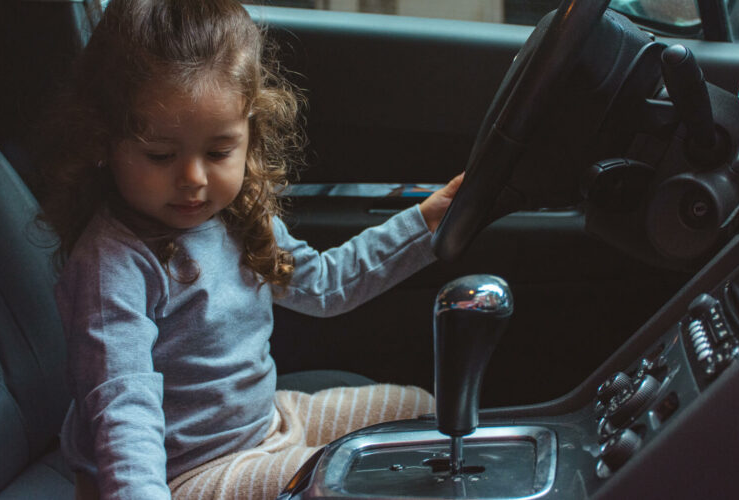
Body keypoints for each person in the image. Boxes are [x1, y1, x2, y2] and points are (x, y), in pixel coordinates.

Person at [35, 0, 464, 498]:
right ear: (104, 142)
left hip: (268, 424)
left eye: (218, 152)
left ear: (249, 136)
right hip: (187, 474)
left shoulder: (234, 219)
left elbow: (325, 285)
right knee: (356, 481)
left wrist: (425, 221)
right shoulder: (113, 266)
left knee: (422, 411)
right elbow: (121, 408)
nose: (193, 179)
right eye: (160, 155)